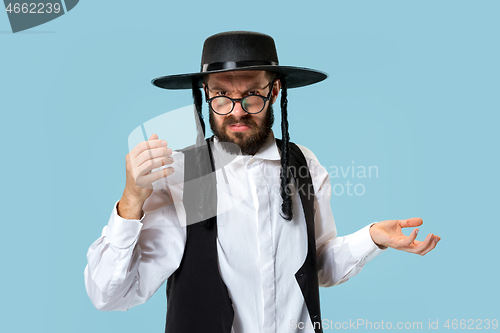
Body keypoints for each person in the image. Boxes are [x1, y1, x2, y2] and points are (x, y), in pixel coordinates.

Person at [84, 31, 441, 333]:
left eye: (251, 95)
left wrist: (372, 237)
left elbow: (316, 267)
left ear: (273, 91)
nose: (236, 111)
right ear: (204, 95)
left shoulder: (304, 164)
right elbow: (110, 296)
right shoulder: (184, 175)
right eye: (222, 96)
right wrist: (131, 200)